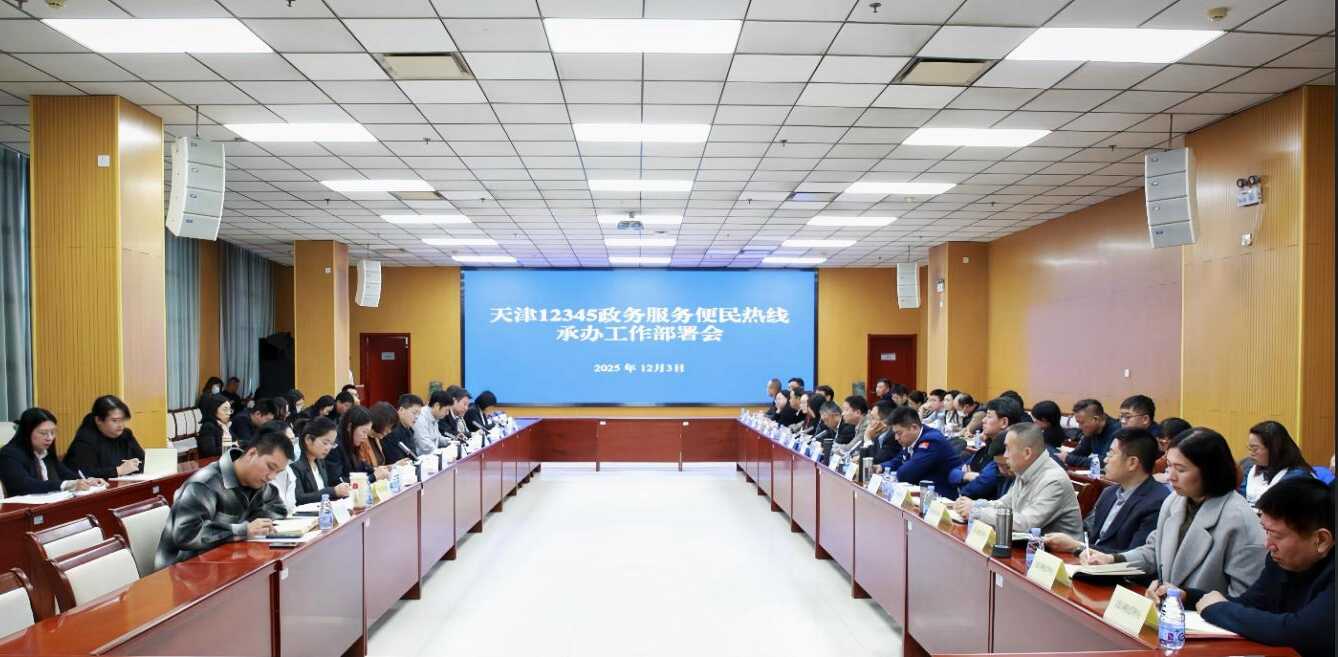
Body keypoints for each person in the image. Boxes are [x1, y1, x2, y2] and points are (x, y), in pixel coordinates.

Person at [1082, 428, 1265, 597]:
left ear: (1210, 472)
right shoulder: (1175, 501)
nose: (1170, 476)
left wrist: (1189, 598)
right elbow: (1155, 550)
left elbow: (1243, 599)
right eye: (1169, 466)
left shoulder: (1238, 520)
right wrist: (1112, 559)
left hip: (1203, 617)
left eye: (1181, 469)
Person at [1184, 478, 1333, 657]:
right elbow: (1250, 605)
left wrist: (1218, 609)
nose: (1267, 544)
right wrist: (1186, 597)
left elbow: (1300, 632)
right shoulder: (1279, 560)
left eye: (1276, 535)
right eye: (1266, 531)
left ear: (1321, 540)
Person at [154, 431, 292, 568]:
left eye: (278, 472)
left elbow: (278, 509)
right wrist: (243, 530)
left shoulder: (257, 483)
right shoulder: (205, 483)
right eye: (270, 467)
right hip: (182, 571)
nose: (272, 477)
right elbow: (186, 534)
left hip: (225, 563)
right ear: (252, 454)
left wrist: (254, 525)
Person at [1045, 428, 1170, 555]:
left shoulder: (1157, 502)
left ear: (1132, 463)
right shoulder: (1109, 492)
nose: (1105, 460)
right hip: (1085, 561)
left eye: (1111, 454)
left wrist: (1076, 546)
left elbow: (1134, 557)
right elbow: (1087, 531)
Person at [954, 423, 1083, 539]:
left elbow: (1026, 524)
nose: (1005, 455)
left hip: (1060, 555)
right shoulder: (1026, 469)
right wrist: (975, 505)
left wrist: (977, 512)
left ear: (1027, 453)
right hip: (1030, 546)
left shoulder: (1054, 480)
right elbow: (1004, 505)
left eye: (1008, 449)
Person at [1, 408, 106, 495]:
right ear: (27, 433)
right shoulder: (9, 454)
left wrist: (87, 481)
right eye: (43, 433)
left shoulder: (45, 452)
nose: (50, 438)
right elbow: (25, 485)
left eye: (53, 432)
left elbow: (66, 474)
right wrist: (66, 484)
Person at [879, 406, 963, 497]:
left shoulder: (932, 440)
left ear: (914, 427)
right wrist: (881, 467)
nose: (896, 438)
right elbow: (899, 460)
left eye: (899, 433)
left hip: (940, 497)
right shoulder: (912, 439)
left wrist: (891, 475)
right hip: (922, 493)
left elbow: (906, 474)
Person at [63, 395, 145, 479]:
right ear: (98, 420)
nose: (120, 425)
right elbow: (84, 473)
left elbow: (141, 459)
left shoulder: (126, 434)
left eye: (123, 419)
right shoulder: (85, 440)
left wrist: (134, 465)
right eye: (115, 420)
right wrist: (118, 471)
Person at [1239, 421, 1314, 506]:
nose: (1251, 453)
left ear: (1274, 449)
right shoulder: (1247, 466)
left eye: (1255, 449)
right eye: (1250, 448)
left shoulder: (1297, 478)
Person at [291, 416, 351, 505]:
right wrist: (333, 491)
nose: (328, 448)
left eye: (332, 444)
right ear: (308, 439)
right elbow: (299, 498)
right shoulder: (295, 465)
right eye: (325, 443)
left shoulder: (320, 462)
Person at [327, 406, 390, 483]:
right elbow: (337, 481)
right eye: (364, 432)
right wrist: (372, 477)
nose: (365, 437)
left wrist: (374, 470)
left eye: (367, 433)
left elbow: (359, 465)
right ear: (350, 427)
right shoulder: (334, 445)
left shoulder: (351, 440)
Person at [1062, 399, 1119, 468]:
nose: (1079, 427)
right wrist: (1064, 457)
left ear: (1095, 419)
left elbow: (1105, 462)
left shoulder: (1117, 432)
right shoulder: (1092, 430)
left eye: (1082, 423)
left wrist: (1069, 459)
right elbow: (1079, 453)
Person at [386, 394, 424, 463]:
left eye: (419, 414)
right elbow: (398, 461)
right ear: (401, 410)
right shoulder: (391, 430)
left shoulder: (409, 429)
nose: (417, 417)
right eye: (414, 413)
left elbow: (413, 455)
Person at [413, 390, 453, 455]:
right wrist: (442, 453)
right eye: (446, 410)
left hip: (432, 455)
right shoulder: (420, 417)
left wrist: (451, 441)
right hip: (422, 458)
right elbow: (425, 445)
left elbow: (437, 438)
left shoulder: (434, 416)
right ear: (437, 405)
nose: (447, 413)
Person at [196, 393, 233, 459]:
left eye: (230, 410)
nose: (229, 413)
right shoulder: (208, 426)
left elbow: (236, 441)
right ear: (214, 410)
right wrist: (230, 446)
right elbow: (210, 452)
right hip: (212, 463)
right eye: (225, 409)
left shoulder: (223, 424)